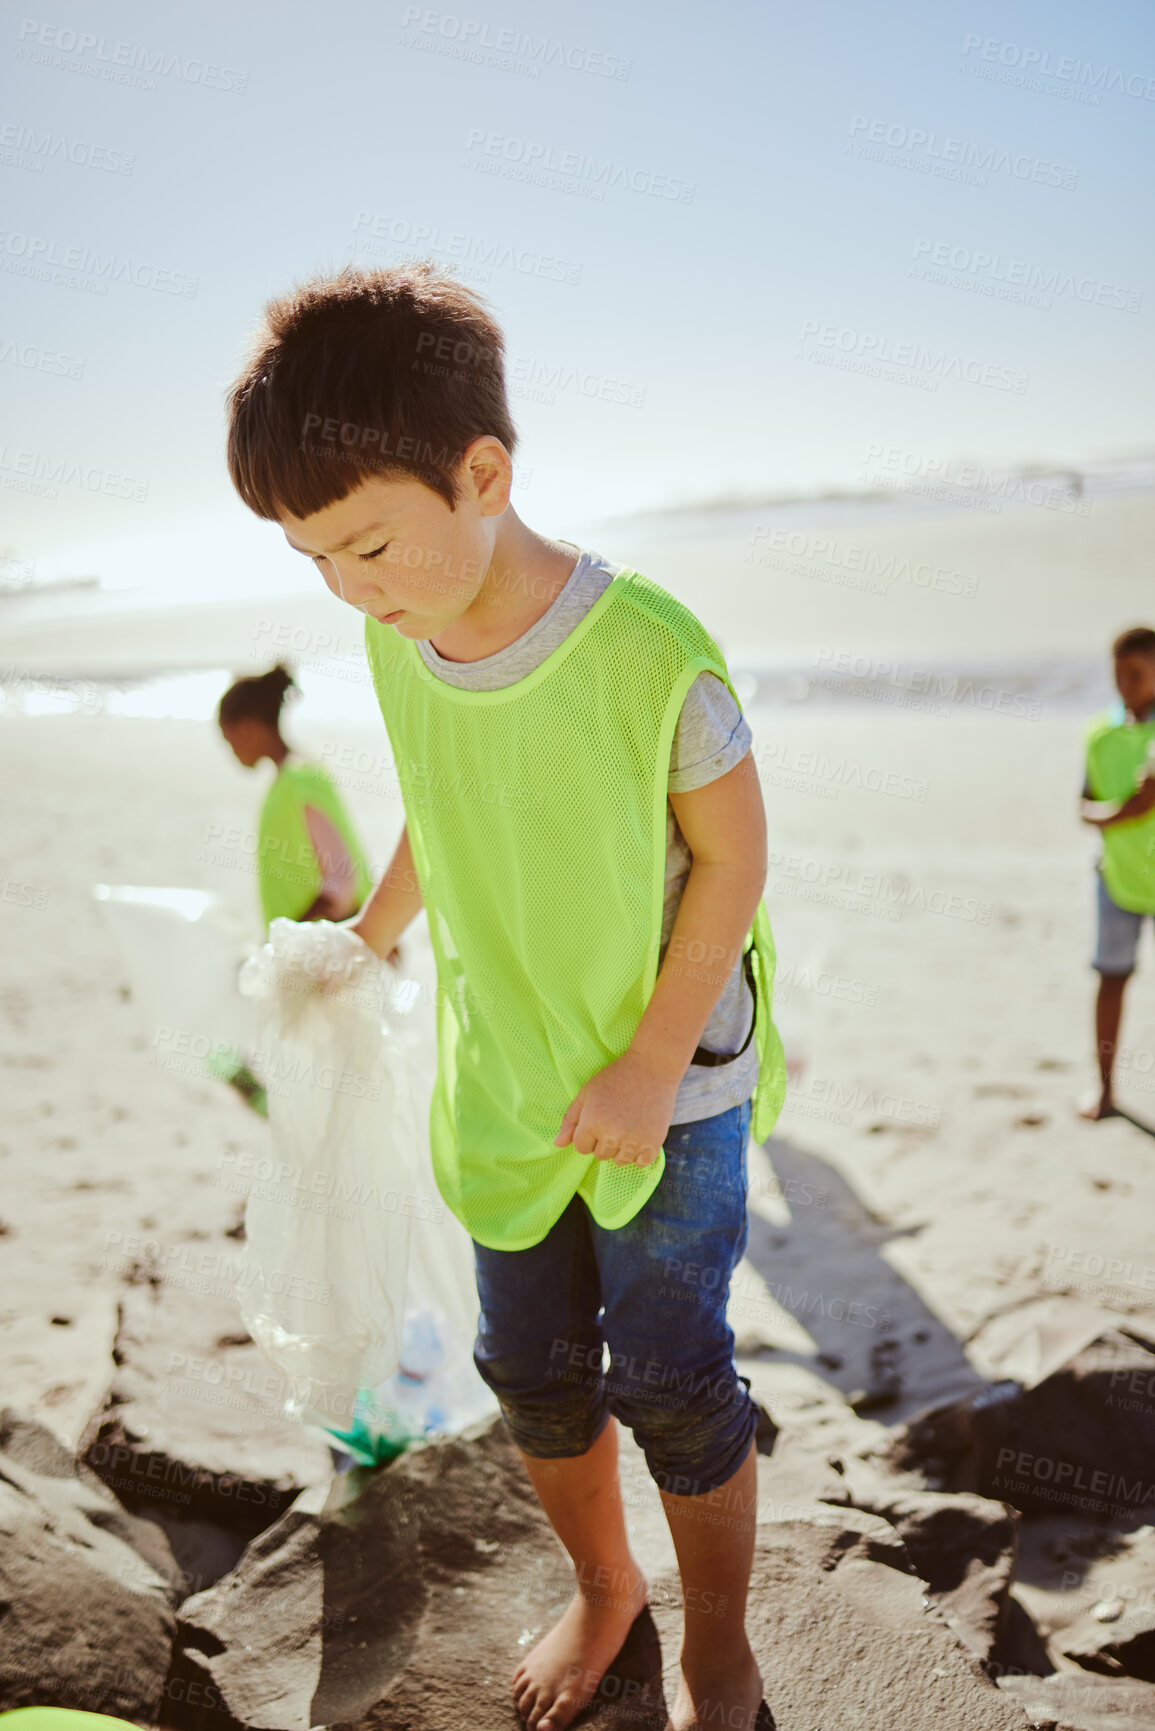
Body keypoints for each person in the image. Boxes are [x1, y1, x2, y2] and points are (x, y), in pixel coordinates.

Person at [225, 263, 787, 1731]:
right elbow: (437, 801)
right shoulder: (399, 634)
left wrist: (650, 1062)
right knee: (527, 1369)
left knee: (670, 1374)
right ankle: (608, 1586)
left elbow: (733, 858)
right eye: (316, 560)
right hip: (507, 1070)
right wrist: (372, 931)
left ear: (483, 472)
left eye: (369, 542)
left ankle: (718, 1639)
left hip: (666, 1075)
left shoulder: (644, 651)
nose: (353, 587)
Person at [217, 663, 374, 930]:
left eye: (228, 738)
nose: (230, 750)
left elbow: (342, 881)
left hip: (319, 953)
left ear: (248, 727)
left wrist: (287, 941)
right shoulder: (286, 782)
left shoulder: (300, 780)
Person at [1079, 626, 1155, 1121]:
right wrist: (1128, 808)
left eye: (1137, 674)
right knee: (1111, 978)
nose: (1126, 684)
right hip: (1117, 880)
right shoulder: (1100, 734)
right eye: (1119, 674)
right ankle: (1105, 1091)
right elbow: (1084, 806)